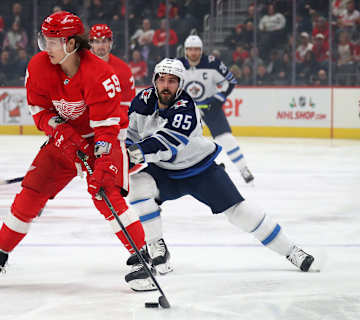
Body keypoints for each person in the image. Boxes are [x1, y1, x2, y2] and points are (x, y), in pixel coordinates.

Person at [0, 11, 148, 291]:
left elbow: (107, 129)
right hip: (63, 140)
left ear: (71, 44)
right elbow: (39, 110)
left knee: (106, 195)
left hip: (100, 140)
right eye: (44, 40)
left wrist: (101, 161)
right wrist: (61, 132)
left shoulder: (101, 74)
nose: (46, 48)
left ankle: (142, 259)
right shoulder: (40, 66)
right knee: (30, 194)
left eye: (52, 41)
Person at [125, 58, 317, 280]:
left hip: (199, 169)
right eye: (162, 80)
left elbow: (164, 143)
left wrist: (130, 154)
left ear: (181, 84)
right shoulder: (142, 100)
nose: (166, 85)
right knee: (138, 185)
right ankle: (156, 246)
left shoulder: (186, 107)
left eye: (172, 81)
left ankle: (291, 251)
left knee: (239, 212)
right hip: (164, 171)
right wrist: (117, 155)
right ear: (154, 81)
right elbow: (130, 134)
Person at [179, 35, 254, 183]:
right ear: (185, 51)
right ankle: (189, 172)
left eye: (196, 49)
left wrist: (217, 99)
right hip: (187, 110)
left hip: (211, 108)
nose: (193, 53)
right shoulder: (177, 65)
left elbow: (230, 81)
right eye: (190, 50)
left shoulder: (212, 63)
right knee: (182, 143)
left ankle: (243, 169)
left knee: (226, 139)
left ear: (201, 51)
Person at [89, 24, 136, 113]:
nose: (101, 46)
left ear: (110, 43)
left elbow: (128, 104)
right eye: (97, 42)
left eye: (104, 41)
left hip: (113, 122)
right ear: (91, 43)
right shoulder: (80, 66)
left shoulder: (123, 69)